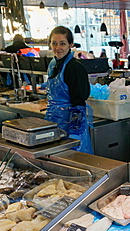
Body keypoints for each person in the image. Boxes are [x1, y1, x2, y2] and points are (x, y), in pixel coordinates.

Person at [45, 26, 93, 154]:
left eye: (62, 43)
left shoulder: (75, 68)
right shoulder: (52, 64)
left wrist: (75, 131)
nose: (57, 48)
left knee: (73, 158)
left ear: (70, 45)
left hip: (71, 124)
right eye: (54, 43)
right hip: (53, 119)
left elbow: (79, 101)